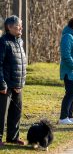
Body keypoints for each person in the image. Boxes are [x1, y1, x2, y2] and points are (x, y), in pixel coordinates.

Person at [0, 15, 27, 146]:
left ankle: (13, 137)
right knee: (1, 113)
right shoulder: (3, 42)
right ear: (9, 27)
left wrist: (20, 83)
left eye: (21, 25)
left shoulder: (20, 41)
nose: (21, 28)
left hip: (17, 84)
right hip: (5, 85)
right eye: (18, 26)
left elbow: (21, 64)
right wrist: (2, 83)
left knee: (16, 113)